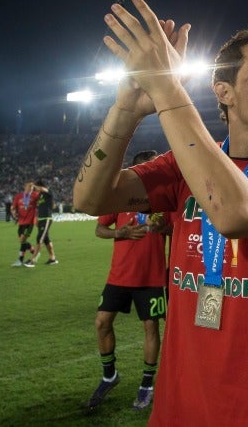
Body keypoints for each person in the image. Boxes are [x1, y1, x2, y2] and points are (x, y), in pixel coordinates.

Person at [73, 0, 248, 425]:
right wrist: (126, 107)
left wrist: (167, 89)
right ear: (223, 90)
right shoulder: (185, 164)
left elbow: (234, 213)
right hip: (179, 406)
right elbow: (90, 198)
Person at [86, 150, 171, 411]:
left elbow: (178, 229)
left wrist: (163, 228)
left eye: (150, 168)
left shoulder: (167, 199)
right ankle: (109, 375)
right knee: (102, 322)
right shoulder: (120, 199)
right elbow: (99, 229)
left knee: (150, 328)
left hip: (152, 277)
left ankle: (146, 385)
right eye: (141, 169)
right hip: (119, 275)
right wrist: (118, 232)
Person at [23, 180, 58, 267]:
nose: (36, 189)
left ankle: (33, 260)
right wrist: (37, 218)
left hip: (47, 219)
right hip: (41, 219)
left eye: (37, 187)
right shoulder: (40, 195)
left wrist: (33, 185)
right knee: (46, 240)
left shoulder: (48, 192)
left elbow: (43, 189)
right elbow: (40, 207)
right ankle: (52, 258)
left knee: (39, 238)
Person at [10, 181, 38, 267]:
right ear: (25, 186)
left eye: (33, 187)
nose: (31, 188)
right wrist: (13, 212)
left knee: (22, 240)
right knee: (23, 241)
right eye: (30, 186)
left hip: (30, 222)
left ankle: (20, 260)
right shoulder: (19, 196)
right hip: (21, 222)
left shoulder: (35, 195)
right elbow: (13, 207)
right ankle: (34, 252)